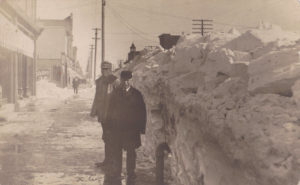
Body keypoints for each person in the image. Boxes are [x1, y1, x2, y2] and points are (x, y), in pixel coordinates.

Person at [105, 70, 146, 185]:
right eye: (124, 80)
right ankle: (117, 172)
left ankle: (131, 172)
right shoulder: (115, 93)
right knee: (117, 151)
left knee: (131, 152)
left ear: (131, 80)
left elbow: (142, 112)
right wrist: (108, 127)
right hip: (117, 129)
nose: (126, 82)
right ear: (121, 80)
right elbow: (110, 111)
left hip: (131, 130)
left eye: (128, 80)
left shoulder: (137, 94)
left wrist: (142, 127)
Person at [90, 61, 118, 167]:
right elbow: (97, 97)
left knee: (112, 137)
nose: (104, 71)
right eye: (103, 69)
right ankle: (107, 160)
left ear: (110, 69)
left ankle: (113, 161)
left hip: (112, 115)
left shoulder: (115, 81)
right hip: (103, 114)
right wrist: (94, 110)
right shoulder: (99, 81)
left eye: (106, 69)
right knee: (106, 137)